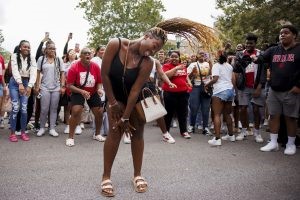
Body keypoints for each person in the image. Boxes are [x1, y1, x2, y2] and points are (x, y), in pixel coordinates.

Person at [100, 18, 219, 197]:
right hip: (114, 97)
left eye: (157, 50)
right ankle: (106, 176)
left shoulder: (147, 62)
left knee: (137, 132)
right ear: (146, 36)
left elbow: (134, 91)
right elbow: (105, 75)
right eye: (153, 45)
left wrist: (126, 116)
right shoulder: (115, 44)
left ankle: (137, 174)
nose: (152, 51)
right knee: (115, 132)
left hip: (136, 99)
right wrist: (113, 104)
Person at [257, 25, 300, 155]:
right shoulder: (274, 50)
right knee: (273, 116)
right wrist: (253, 58)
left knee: (290, 118)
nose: (282, 35)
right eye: (281, 33)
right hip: (274, 90)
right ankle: (273, 142)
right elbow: (261, 59)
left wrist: (298, 86)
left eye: (286, 33)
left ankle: (291, 144)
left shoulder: (298, 50)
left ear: (294, 35)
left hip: (291, 90)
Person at [66, 47, 104, 146]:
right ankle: (70, 137)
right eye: (85, 53)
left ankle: (97, 134)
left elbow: (99, 82)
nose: (88, 55)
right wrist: (82, 91)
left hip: (93, 91)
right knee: (76, 111)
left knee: (99, 112)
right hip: (78, 91)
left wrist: (99, 89)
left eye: (89, 53)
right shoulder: (74, 67)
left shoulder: (95, 66)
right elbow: (69, 85)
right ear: (80, 56)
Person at [234, 33, 266, 143]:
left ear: (255, 44)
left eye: (251, 43)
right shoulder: (239, 54)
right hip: (244, 86)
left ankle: (257, 132)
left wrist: (260, 87)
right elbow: (236, 70)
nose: (248, 45)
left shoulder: (261, 54)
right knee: (242, 109)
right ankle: (243, 131)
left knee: (257, 110)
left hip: (257, 86)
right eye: (247, 43)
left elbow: (263, 71)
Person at [35, 41, 65, 137]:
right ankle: (42, 128)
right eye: (50, 48)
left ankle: (52, 128)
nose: (52, 50)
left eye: (54, 48)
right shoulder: (41, 59)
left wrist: (62, 86)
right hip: (44, 87)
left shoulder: (58, 60)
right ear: (46, 50)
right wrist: (37, 86)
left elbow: (62, 73)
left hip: (56, 88)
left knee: (54, 109)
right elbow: (38, 73)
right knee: (44, 109)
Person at [9, 40, 37, 142]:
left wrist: (29, 86)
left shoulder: (32, 58)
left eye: (28, 47)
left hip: (26, 82)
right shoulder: (15, 56)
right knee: (16, 107)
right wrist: (19, 83)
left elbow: (34, 73)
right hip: (14, 83)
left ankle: (23, 132)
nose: (27, 48)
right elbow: (15, 70)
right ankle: (12, 133)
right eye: (24, 47)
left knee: (24, 109)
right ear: (20, 47)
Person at [206, 52, 235, 146]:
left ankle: (217, 138)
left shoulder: (216, 66)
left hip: (220, 91)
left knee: (217, 114)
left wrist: (206, 85)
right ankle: (231, 135)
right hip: (230, 90)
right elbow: (231, 79)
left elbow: (215, 79)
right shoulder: (229, 66)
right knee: (228, 114)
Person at [187, 51, 212, 135]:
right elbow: (187, 78)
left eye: (203, 54)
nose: (202, 55)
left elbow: (212, 75)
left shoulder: (208, 64)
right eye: (200, 54)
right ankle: (191, 125)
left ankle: (205, 127)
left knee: (206, 108)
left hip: (206, 87)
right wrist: (192, 73)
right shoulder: (192, 65)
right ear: (197, 56)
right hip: (195, 87)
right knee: (193, 107)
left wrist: (211, 66)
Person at [0, 54, 8, 127]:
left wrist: (4, 85)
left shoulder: (1, 58)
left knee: (2, 102)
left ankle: (1, 120)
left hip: (0, 84)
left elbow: (2, 74)